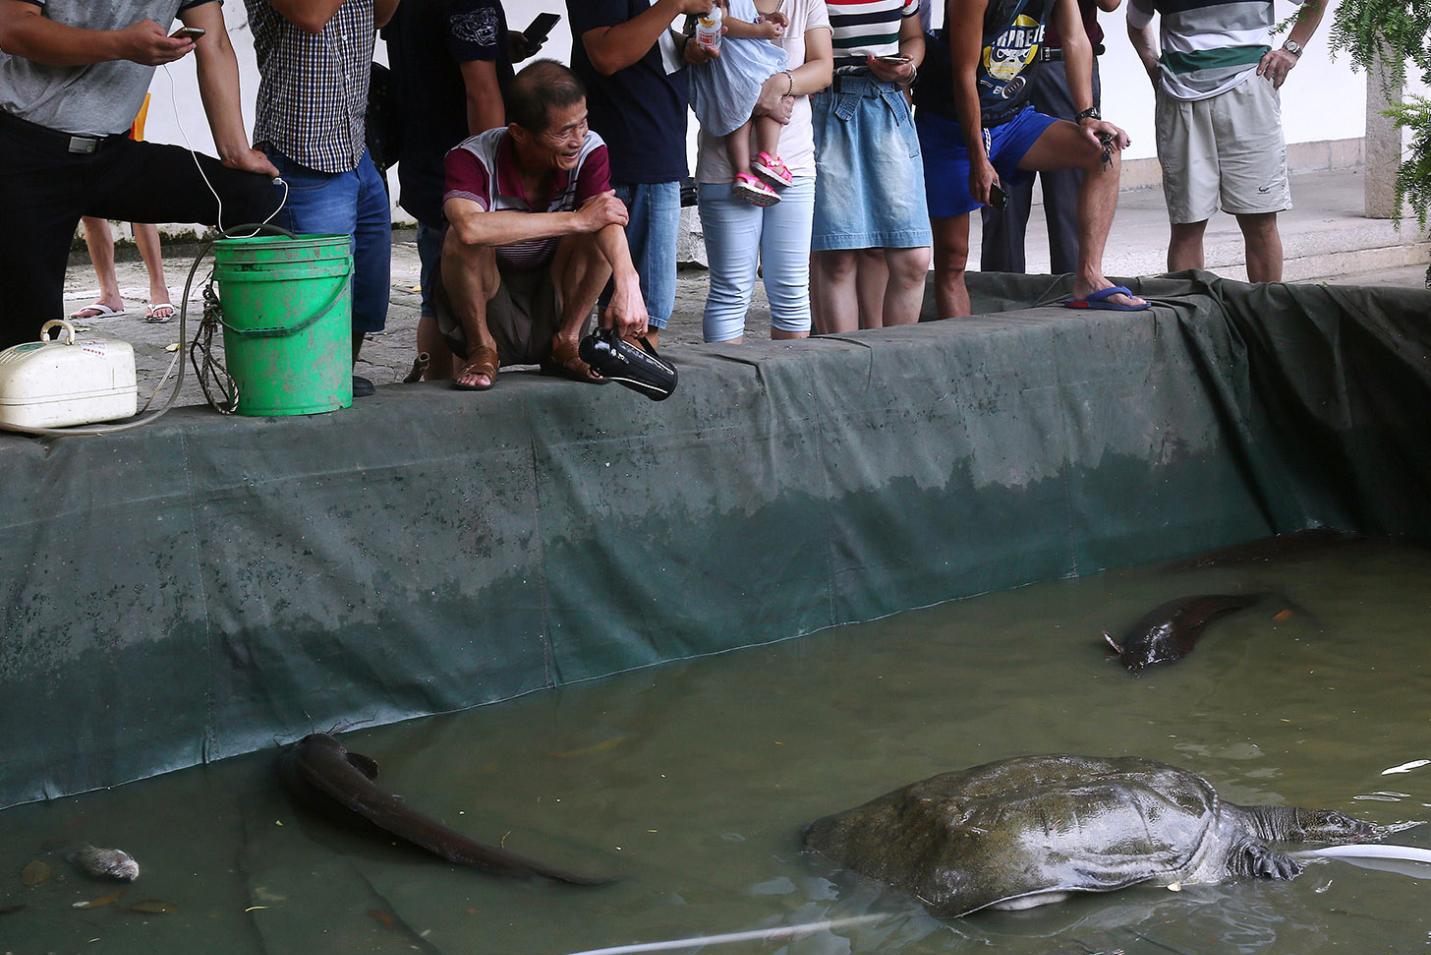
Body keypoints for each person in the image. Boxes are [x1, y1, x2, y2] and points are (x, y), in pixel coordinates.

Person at [0, 0, 279, 351]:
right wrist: (120, 44)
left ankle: (265, 364)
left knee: (254, 197)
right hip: (23, 148)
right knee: (27, 336)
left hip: (111, 153)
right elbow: (12, 27)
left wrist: (235, 150)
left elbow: (216, 42)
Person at [916, 0, 1149, 319]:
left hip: (1013, 120)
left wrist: (1087, 116)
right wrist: (979, 157)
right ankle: (963, 344)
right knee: (953, 258)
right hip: (952, 127)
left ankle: (1089, 277)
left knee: (1103, 150)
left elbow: (1075, 38)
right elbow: (964, 74)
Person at [436, 60, 648, 391]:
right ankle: (481, 348)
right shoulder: (471, 157)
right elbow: (469, 229)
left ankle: (567, 341)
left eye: (583, 123)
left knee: (600, 227)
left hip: (555, 289)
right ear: (519, 133)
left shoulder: (591, 149)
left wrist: (628, 281)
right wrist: (576, 219)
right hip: (493, 294)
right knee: (460, 239)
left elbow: (605, 214)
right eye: (564, 131)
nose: (578, 140)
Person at [244, 0, 402, 398]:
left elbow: (382, 15)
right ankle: (307, 389)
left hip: (354, 146)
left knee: (366, 286)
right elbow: (311, 14)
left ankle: (334, 377)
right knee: (317, 295)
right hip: (302, 152)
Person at [384, 0, 543, 383]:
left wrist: (497, 43)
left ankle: (433, 398)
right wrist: (493, 183)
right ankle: (461, 399)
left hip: (425, 165)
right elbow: (482, 94)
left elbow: (431, 51)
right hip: (464, 182)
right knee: (469, 303)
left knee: (435, 301)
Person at [1127, 0, 1326, 283]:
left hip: (1248, 89)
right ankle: (1190, 310)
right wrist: (1153, 68)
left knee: (1259, 220)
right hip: (1180, 97)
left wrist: (1292, 49)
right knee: (1187, 225)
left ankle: (1264, 309)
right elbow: (1136, 23)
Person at [569, 0, 710, 350]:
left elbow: (640, 36)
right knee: (637, 319)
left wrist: (682, 44)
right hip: (635, 150)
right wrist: (677, 3)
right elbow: (607, 53)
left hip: (648, 146)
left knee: (630, 312)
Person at [694, 0, 832, 344]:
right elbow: (698, 52)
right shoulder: (716, 2)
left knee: (792, 290)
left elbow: (823, 69)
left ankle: (792, 379)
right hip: (724, 168)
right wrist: (747, 92)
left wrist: (778, 85)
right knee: (730, 291)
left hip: (792, 164)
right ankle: (726, 379)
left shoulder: (805, 3)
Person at [809, 0, 931, 333]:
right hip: (829, 107)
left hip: (888, 106)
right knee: (837, 256)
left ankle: (895, 357)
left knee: (913, 257)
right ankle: (844, 360)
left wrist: (907, 67)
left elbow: (913, 37)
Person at [978, 0, 1122, 277]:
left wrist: (1087, 113)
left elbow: (1110, 4)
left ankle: (1077, 288)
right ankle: (1004, 294)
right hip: (1005, 62)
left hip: (1065, 64)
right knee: (1002, 201)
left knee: (1071, 201)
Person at [72, 94, 174, 323]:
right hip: (81, 101)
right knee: (90, 202)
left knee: (137, 194)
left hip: (120, 97)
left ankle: (159, 289)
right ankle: (109, 295)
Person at [687, 0, 794, 206]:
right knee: (754, 101)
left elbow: (742, 14)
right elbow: (721, 20)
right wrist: (759, 30)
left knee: (739, 113)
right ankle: (765, 158)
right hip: (736, 59)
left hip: (740, 58)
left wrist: (765, 20)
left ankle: (747, 170)